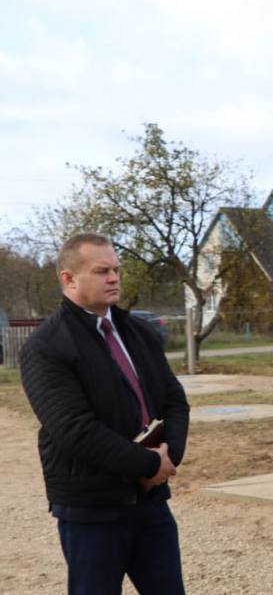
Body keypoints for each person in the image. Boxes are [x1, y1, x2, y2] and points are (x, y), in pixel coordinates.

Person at [19, 233, 189, 595]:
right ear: (69, 279)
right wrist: (148, 464)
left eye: (116, 269)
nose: (113, 278)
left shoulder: (138, 332)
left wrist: (169, 454)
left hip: (149, 502)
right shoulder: (46, 347)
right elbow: (74, 430)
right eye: (101, 271)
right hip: (91, 508)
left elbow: (174, 400)